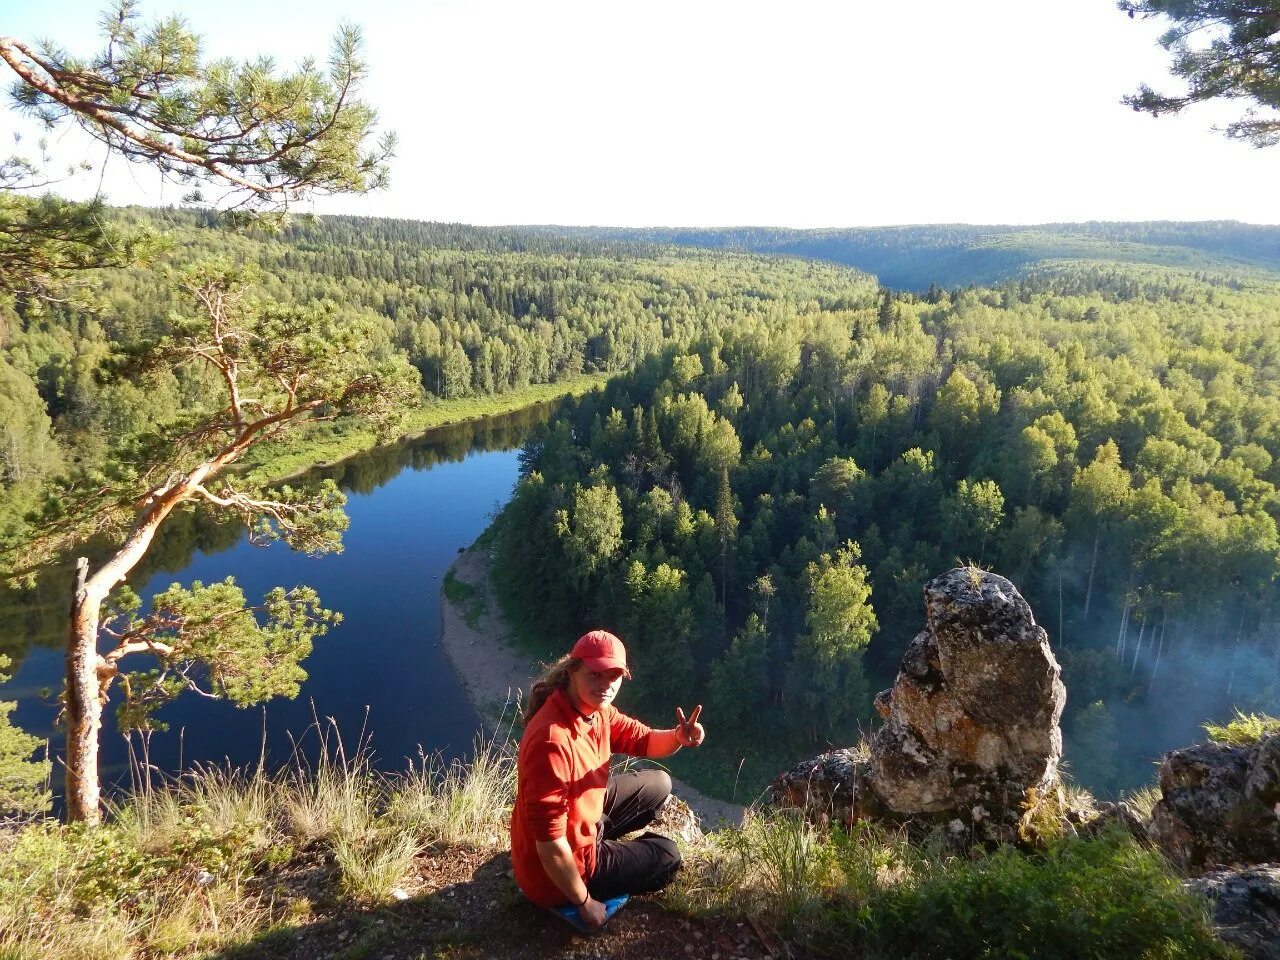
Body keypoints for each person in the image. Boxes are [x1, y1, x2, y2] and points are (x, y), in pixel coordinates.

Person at [509, 629, 706, 929]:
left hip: (581, 822)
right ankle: (606, 864)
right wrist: (584, 903)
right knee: (668, 856)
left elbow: (644, 739)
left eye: (614, 676)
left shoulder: (595, 711)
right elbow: (550, 846)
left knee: (659, 784)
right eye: (596, 674)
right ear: (573, 671)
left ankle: (608, 845)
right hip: (556, 876)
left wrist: (679, 737)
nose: (606, 685)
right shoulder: (551, 742)